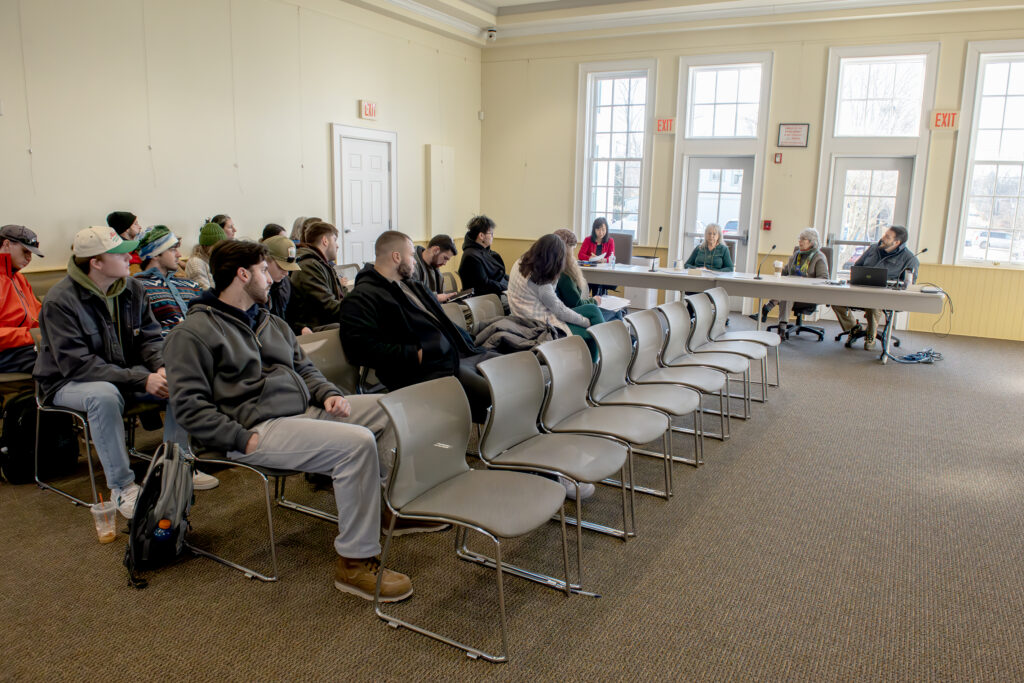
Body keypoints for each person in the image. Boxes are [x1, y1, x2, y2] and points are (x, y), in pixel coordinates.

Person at [164, 239, 413, 602]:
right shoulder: (192, 334)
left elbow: (305, 369)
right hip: (255, 429)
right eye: (265, 271)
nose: (273, 279)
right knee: (356, 444)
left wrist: (329, 394)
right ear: (243, 274)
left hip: (302, 412)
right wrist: (238, 437)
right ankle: (355, 562)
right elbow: (188, 407)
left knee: (392, 407)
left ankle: (383, 510)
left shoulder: (271, 322)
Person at [34, 226, 217, 518]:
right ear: (96, 262)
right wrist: (142, 378)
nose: (128, 257)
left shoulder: (132, 288)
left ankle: (176, 467)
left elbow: (149, 338)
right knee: (103, 395)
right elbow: (77, 365)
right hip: (67, 382)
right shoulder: (60, 300)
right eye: (119, 253)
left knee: (180, 378)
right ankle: (122, 487)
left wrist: (160, 366)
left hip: (122, 374)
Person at [340, 231, 499, 423]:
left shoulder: (413, 286)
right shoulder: (362, 297)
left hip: (460, 353)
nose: (415, 261)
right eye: (410, 255)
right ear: (396, 257)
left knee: (514, 372)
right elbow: (359, 349)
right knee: (498, 393)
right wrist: (416, 354)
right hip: (429, 368)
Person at [508, 234, 604, 360]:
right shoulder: (542, 283)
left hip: (525, 315)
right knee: (593, 328)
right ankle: (599, 359)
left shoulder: (522, 261)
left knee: (592, 310)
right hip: (540, 325)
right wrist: (586, 322)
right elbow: (560, 311)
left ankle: (595, 363)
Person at [832, 225, 920, 350]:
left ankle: (870, 336)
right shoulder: (873, 248)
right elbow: (857, 266)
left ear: (897, 242)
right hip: (862, 290)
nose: (883, 238)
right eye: (884, 235)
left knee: (874, 303)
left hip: (885, 297)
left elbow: (909, 285)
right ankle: (853, 328)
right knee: (835, 299)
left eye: (887, 237)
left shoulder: (909, 259)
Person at [752, 228, 829, 338]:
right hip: (792, 291)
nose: (800, 241)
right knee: (788, 293)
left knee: (787, 293)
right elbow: (785, 273)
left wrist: (805, 281)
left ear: (812, 242)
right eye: (799, 239)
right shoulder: (796, 255)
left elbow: (824, 279)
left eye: (803, 239)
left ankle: (769, 311)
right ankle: (781, 328)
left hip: (809, 293)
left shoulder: (818, 257)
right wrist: (778, 268)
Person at [134, 226, 202, 337]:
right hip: (167, 350)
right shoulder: (138, 288)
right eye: (173, 249)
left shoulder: (191, 285)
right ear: (155, 254)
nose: (179, 255)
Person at [552, 228, 624, 323]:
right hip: (572, 313)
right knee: (617, 312)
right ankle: (624, 336)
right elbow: (576, 304)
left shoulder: (552, 266)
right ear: (568, 250)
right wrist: (593, 301)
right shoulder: (565, 273)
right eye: (573, 250)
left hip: (566, 310)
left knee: (614, 314)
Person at [287, 221, 347, 332]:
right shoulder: (308, 266)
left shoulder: (323, 264)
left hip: (330, 323)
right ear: (325, 241)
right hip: (317, 330)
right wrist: (358, 312)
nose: (337, 246)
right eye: (335, 240)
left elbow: (343, 294)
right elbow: (328, 307)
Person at [0, 225, 44, 373]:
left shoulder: (18, 278)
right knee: (58, 358)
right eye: (25, 251)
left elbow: (39, 315)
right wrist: (32, 335)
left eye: (31, 253)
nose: (29, 258)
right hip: (6, 351)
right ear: (6, 244)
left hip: (21, 347)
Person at [261, 234, 310, 334]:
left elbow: (294, 316)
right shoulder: (255, 289)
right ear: (265, 260)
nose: (286, 273)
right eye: (281, 267)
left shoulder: (286, 283)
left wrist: (301, 328)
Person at [458, 215, 507, 296]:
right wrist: (507, 288)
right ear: (481, 236)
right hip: (483, 300)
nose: (492, 236)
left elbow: (499, 274)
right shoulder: (471, 256)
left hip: (494, 294)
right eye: (491, 233)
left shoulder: (484, 251)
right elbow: (485, 284)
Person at [577, 217, 617, 296]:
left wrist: (604, 260)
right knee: (585, 286)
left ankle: (597, 301)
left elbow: (611, 257)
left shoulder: (610, 241)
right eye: (598, 229)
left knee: (598, 284)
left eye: (603, 229)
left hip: (603, 272)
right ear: (594, 230)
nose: (601, 232)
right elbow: (580, 255)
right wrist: (590, 258)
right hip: (589, 271)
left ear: (606, 230)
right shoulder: (588, 240)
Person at [412, 234, 457, 302]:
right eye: (445, 258)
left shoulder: (435, 267)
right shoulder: (412, 267)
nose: (444, 263)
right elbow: (413, 297)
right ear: (435, 250)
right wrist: (436, 298)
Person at [186, 221, 226, 289]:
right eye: (218, 246)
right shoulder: (195, 263)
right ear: (206, 246)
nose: (222, 249)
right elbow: (204, 291)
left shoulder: (215, 260)